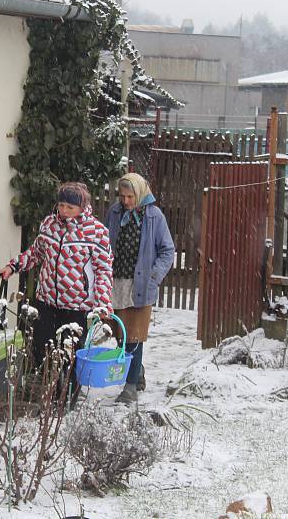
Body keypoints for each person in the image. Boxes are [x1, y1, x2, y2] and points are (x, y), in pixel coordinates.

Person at [0, 182, 113, 398]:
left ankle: (68, 398)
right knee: (44, 350)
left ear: (82, 206)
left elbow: (104, 270)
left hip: (77, 306)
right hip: (47, 301)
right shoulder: (50, 224)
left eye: (70, 207)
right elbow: (36, 253)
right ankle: (50, 394)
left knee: (70, 357)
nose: (64, 211)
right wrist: (13, 266)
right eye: (61, 205)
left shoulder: (97, 232)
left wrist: (103, 303)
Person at [104, 173, 174, 404]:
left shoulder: (154, 216)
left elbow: (167, 250)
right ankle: (137, 370)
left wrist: (154, 276)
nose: (125, 201)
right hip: (116, 283)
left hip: (141, 285)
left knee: (134, 336)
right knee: (120, 334)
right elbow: (104, 242)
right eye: (122, 196)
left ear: (140, 193)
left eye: (130, 196)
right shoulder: (114, 213)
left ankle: (130, 386)